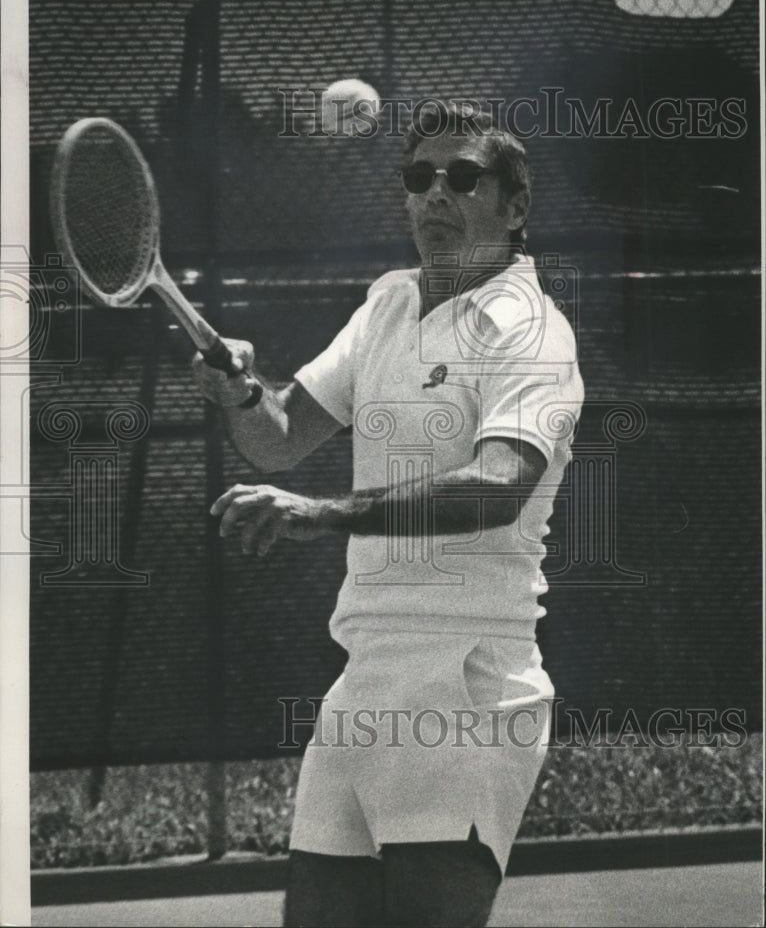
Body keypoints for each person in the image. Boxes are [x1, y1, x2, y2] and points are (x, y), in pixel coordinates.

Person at [193, 102, 584, 927]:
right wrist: (239, 391)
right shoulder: (388, 307)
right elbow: (280, 436)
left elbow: (495, 488)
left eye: (463, 177)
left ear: (515, 209)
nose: (436, 193)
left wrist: (324, 515)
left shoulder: (532, 332)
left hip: (466, 682)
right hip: (363, 680)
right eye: (419, 178)